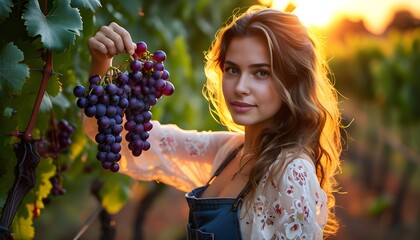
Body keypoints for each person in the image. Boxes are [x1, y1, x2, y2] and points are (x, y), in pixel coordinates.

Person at [84, 5, 343, 240]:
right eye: (232, 70)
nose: (240, 87)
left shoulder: (290, 172)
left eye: (261, 73)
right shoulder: (229, 151)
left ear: (292, 81)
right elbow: (122, 141)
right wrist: (101, 63)